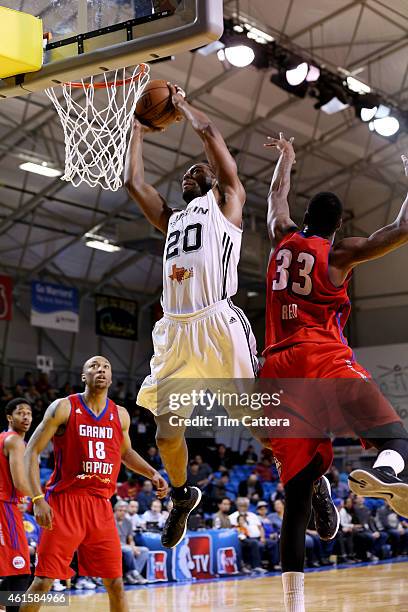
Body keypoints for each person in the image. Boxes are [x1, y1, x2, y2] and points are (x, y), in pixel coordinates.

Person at [262, 135, 408, 611]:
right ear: (339, 224)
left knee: (298, 494)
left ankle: (294, 605)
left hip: (276, 372)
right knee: (395, 436)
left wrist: (287, 158)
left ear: (305, 220)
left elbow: (275, 199)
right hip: (321, 358)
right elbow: (401, 228)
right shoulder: (340, 254)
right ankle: (386, 471)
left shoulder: (283, 237)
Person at [125, 82, 257, 549]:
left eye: (195, 171)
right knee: (165, 434)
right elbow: (133, 184)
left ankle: (308, 473)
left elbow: (211, 134)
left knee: (255, 416)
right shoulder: (173, 218)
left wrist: (179, 103)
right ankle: (182, 496)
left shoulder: (227, 203)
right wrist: (138, 130)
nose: (187, 175)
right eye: (183, 173)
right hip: (176, 333)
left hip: (218, 321)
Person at [21, 355, 168, 612]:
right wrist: (37, 499)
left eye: (106, 367)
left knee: (116, 583)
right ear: (83, 375)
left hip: (101, 506)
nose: (100, 370)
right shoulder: (63, 407)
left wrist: (152, 473)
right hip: (65, 504)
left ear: (111, 378)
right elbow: (31, 451)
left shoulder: (120, 415)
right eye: (93, 366)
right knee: (44, 580)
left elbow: (125, 453)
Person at [0, 398, 33, 605]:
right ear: (10, 417)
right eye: (21, 413)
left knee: (14, 571)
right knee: (19, 569)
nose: (26, 417)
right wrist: (40, 498)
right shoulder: (14, 441)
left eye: (29, 413)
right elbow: (20, 482)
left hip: (9, 506)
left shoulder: (5, 438)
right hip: (6, 506)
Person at [114, 501, 148, 585]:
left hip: (125, 546)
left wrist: (133, 547)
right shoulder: (110, 520)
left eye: (124, 511)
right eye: (120, 510)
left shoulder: (128, 522)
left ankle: (132, 574)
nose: (122, 513)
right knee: (128, 550)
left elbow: (130, 538)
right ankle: (133, 573)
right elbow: (114, 540)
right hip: (114, 545)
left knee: (144, 550)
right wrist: (131, 547)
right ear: (115, 510)